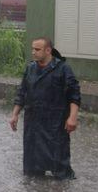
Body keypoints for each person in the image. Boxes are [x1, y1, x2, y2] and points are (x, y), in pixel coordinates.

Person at [9, 37, 81, 179]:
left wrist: (72, 118)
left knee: (60, 165)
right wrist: (15, 115)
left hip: (55, 122)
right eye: (32, 49)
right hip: (33, 122)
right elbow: (22, 92)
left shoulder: (63, 68)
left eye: (37, 49)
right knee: (31, 169)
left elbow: (74, 94)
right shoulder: (30, 68)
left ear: (48, 50)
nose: (33, 52)